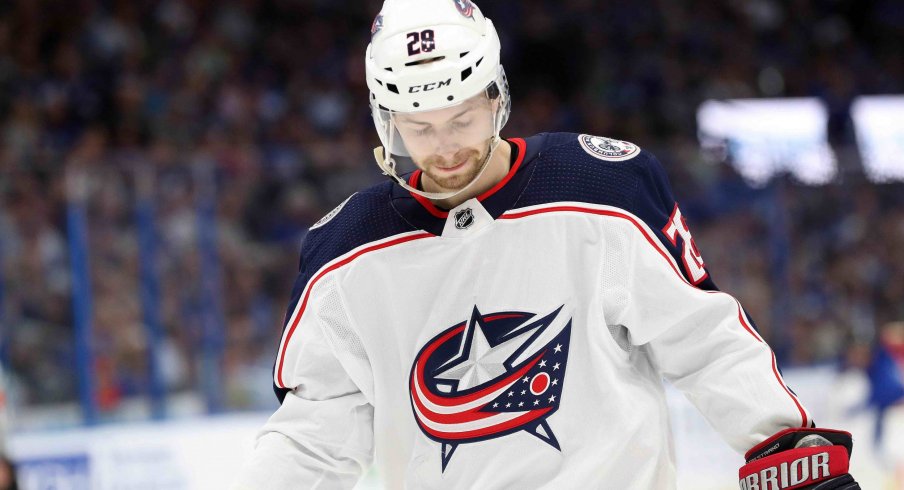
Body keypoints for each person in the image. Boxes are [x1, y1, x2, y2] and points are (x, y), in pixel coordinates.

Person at [235, 0, 860, 488]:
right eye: (420, 129)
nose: (446, 146)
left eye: (462, 119)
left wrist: (785, 443)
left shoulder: (600, 188)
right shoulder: (346, 253)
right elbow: (318, 430)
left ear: (495, 96)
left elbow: (701, 337)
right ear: (386, 122)